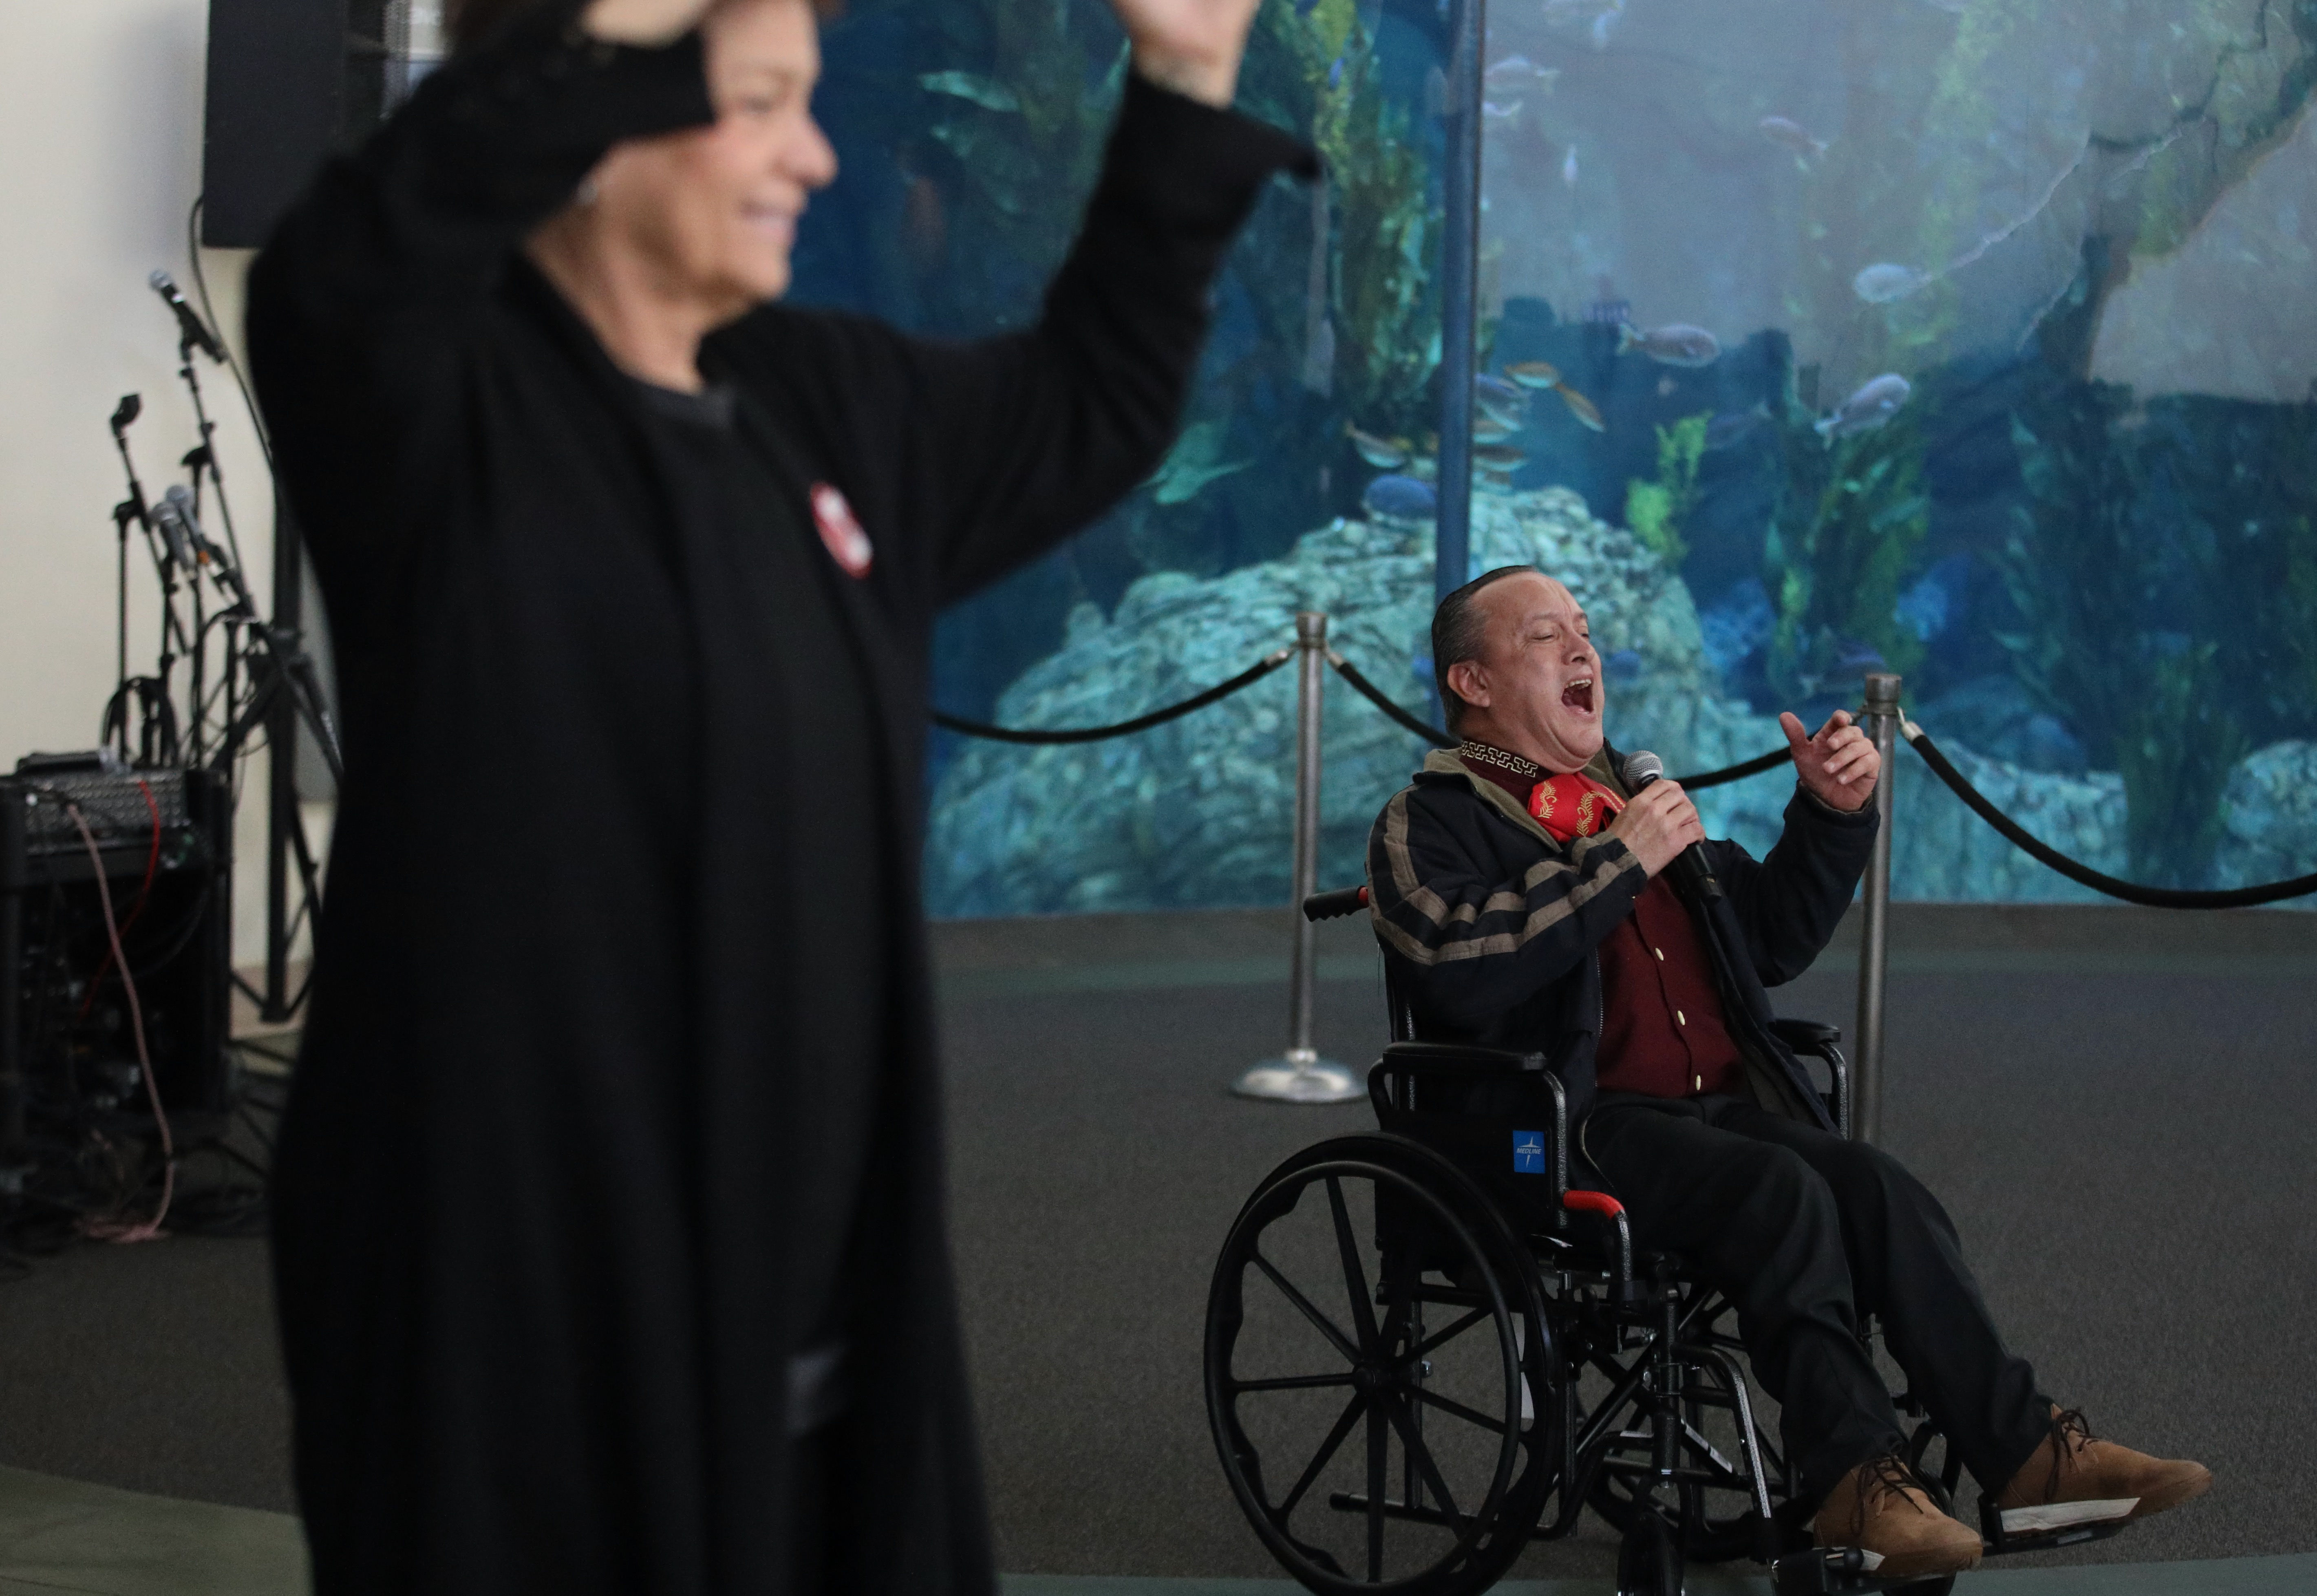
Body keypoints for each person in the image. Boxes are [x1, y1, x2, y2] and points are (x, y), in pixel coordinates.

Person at [245, 0, 1306, 1588]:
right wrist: (617, 34)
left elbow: (1092, 395)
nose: (814, 155)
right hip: (514, 1364)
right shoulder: (422, 407)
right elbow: (351, 252)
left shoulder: (827, 409)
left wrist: (1184, 69)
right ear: (595, 128)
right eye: (758, 103)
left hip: (820, 1367)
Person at [1364, 565, 2212, 1581]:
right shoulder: (1429, 818)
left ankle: (2029, 1457)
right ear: (1474, 680)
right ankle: (1857, 1482)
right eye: (1547, 636)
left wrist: (1829, 815)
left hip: (1716, 1108)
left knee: (1876, 1185)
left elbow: (1763, 939)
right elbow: (1460, 969)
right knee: (1781, 1192)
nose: (1583, 650)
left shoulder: (1634, 800)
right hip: (1570, 1125)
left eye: (1584, 631)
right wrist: (1615, 863)